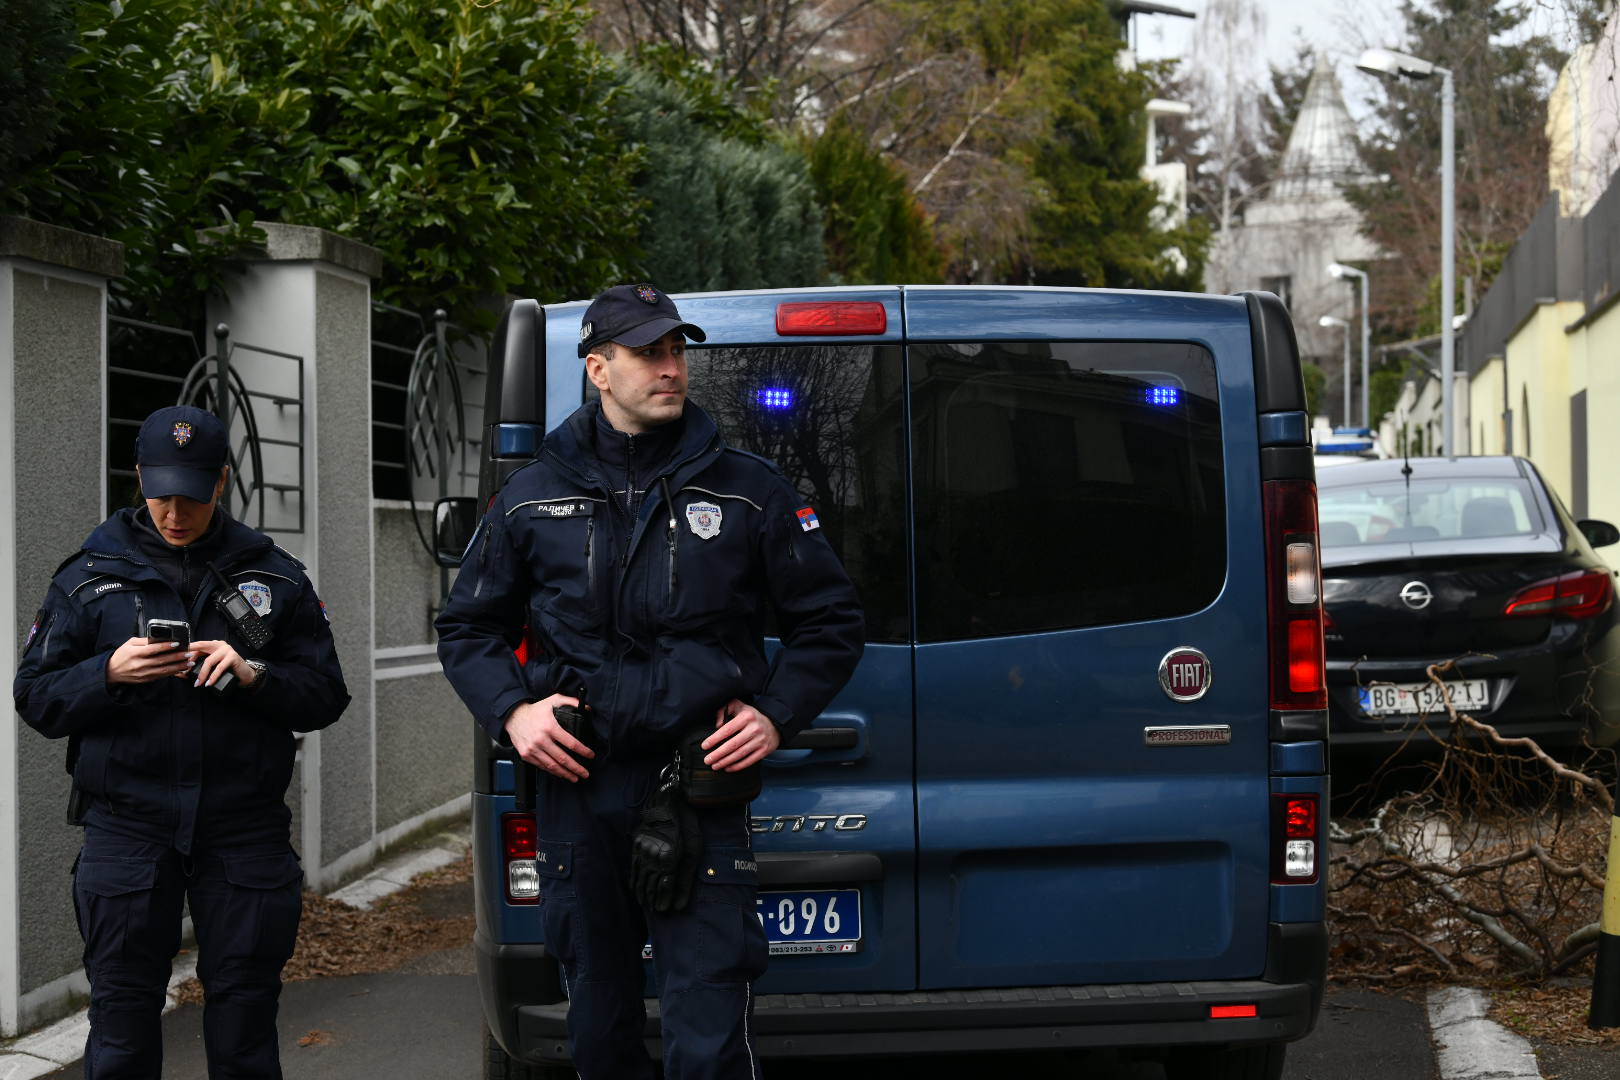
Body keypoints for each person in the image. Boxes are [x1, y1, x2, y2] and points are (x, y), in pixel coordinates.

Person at [435, 283, 864, 1080]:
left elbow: (832, 624)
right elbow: (467, 626)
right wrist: (513, 712)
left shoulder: (749, 490)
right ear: (598, 368)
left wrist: (774, 715)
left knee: (707, 1032)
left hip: (697, 788)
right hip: (578, 789)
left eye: (677, 351)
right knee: (598, 1030)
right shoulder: (532, 496)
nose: (671, 368)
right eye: (649, 353)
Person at [14, 405, 350, 1080]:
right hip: (128, 830)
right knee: (122, 1025)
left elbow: (325, 694)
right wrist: (107, 673)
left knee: (245, 1024)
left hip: (242, 829)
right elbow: (37, 698)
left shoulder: (275, 576)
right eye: (162, 493)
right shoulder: (86, 577)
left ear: (220, 483)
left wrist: (255, 675)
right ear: (139, 477)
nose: (175, 512)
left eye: (192, 496)